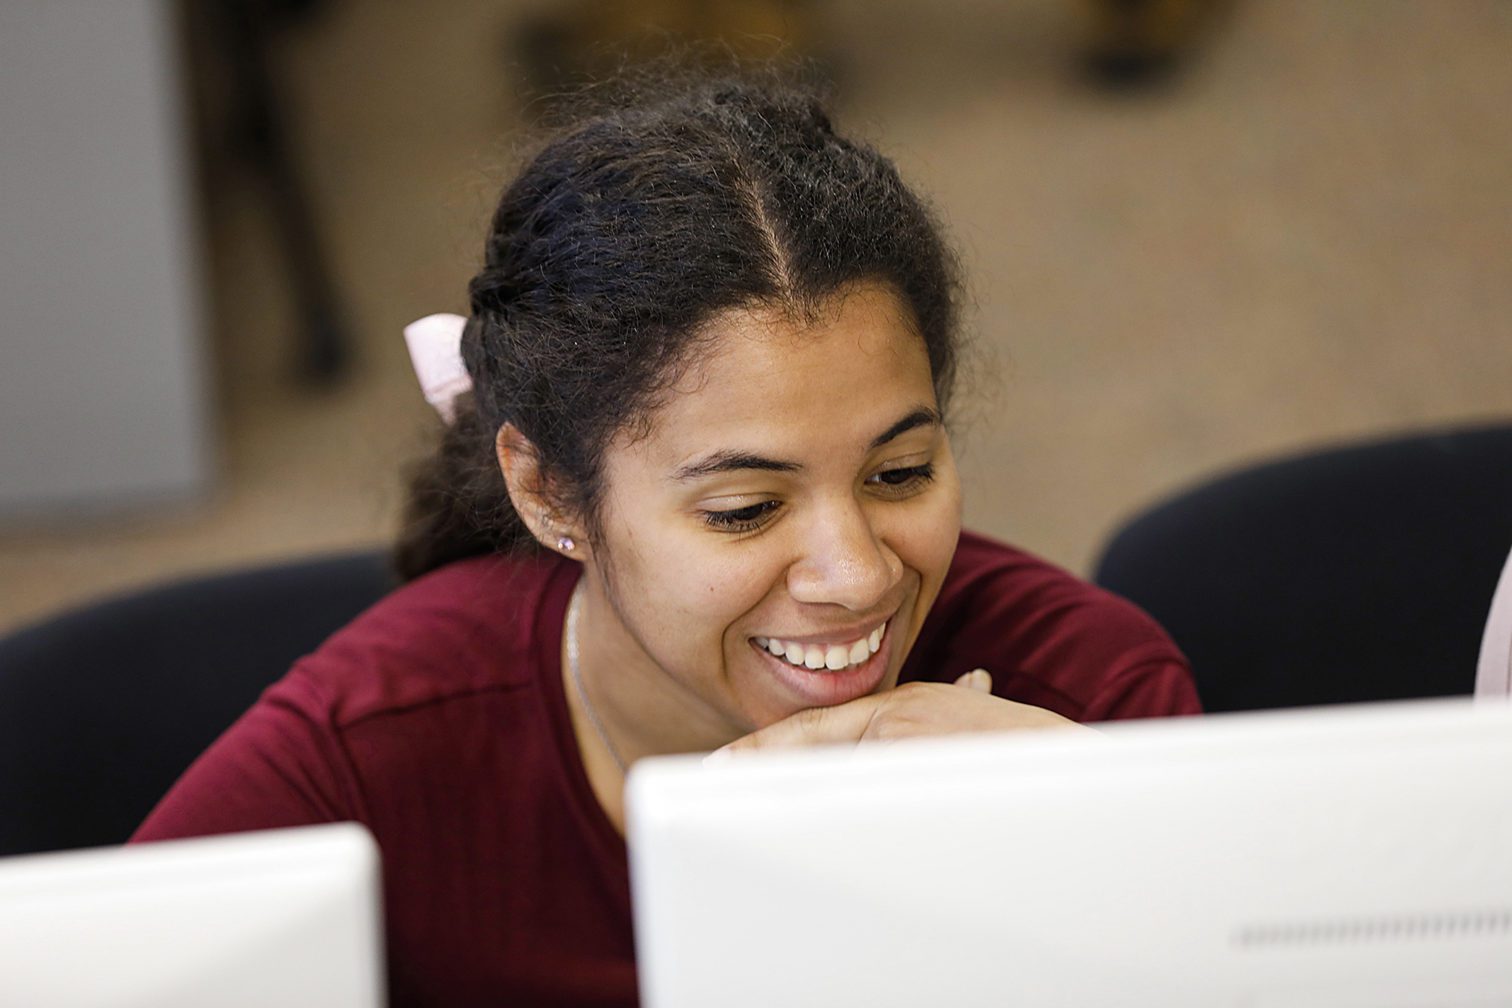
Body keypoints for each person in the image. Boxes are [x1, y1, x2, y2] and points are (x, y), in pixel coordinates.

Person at [132, 69, 1200, 1007]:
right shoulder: (367, 753)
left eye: (900, 474)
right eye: (745, 510)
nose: (858, 574)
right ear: (551, 496)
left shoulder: (1084, 700)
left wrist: (1121, 848)